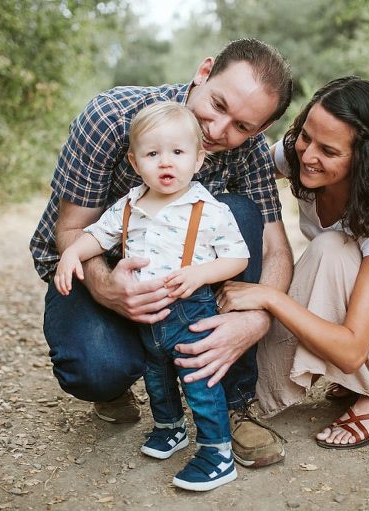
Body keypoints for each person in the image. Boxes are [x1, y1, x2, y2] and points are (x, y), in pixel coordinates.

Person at [29, 38, 294, 467]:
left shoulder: (249, 152)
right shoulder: (111, 118)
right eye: (217, 105)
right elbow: (72, 231)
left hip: (189, 286)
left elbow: (276, 248)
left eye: (243, 126)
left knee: (240, 211)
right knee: (96, 368)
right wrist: (107, 288)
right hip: (103, 266)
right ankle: (121, 375)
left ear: (260, 130)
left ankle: (232, 403)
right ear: (203, 72)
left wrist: (257, 318)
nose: (218, 130)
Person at [217, 76, 369, 449]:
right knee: (330, 252)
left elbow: (351, 349)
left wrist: (270, 297)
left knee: (330, 251)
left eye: (329, 151)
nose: (308, 155)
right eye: (306, 137)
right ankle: (299, 385)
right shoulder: (299, 153)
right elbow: (244, 167)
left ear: (365, 158)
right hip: (351, 270)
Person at [55, 102, 247, 490]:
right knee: (157, 375)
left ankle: (217, 451)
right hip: (145, 313)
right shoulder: (129, 204)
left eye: (178, 152)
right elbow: (96, 236)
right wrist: (72, 254)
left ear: (198, 159)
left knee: (198, 379)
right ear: (134, 160)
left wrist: (199, 274)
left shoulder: (207, 209)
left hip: (190, 311)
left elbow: (237, 257)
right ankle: (169, 427)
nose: (166, 162)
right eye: (153, 153)